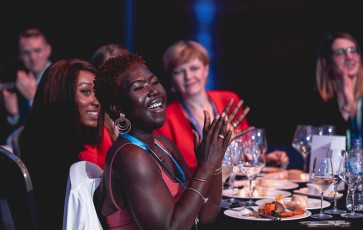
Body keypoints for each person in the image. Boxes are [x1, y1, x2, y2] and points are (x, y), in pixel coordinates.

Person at [94, 53, 252, 229]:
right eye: (139, 88)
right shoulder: (130, 157)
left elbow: (206, 214)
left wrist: (215, 162)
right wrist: (205, 166)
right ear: (118, 107)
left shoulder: (163, 144)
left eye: (154, 82)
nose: (153, 91)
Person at [154, 40, 289, 171]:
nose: (188, 76)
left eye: (194, 68)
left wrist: (265, 159)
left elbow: (245, 151)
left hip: (237, 185)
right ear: (171, 78)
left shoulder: (229, 100)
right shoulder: (165, 119)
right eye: (179, 72)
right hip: (200, 190)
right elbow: (172, 171)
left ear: (206, 70)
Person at [18, 59, 112, 229]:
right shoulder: (54, 153)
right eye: (86, 92)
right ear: (62, 95)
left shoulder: (39, 138)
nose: (96, 100)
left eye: (97, 92)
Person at [306, 32, 363, 150]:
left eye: (353, 50)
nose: (349, 57)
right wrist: (347, 104)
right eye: (340, 52)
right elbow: (323, 151)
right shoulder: (318, 102)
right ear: (327, 62)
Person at [0, 27, 52, 145]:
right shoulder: (16, 78)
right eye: (26, 53)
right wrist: (13, 115)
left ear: (48, 50)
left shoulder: (59, 77)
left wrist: (33, 98)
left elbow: (56, 123)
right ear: (20, 55)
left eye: (37, 50)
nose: (33, 58)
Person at [90, 43, 130, 142]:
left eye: (123, 70)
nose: (117, 78)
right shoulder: (93, 119)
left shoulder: (139, 111)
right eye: (109, 72)